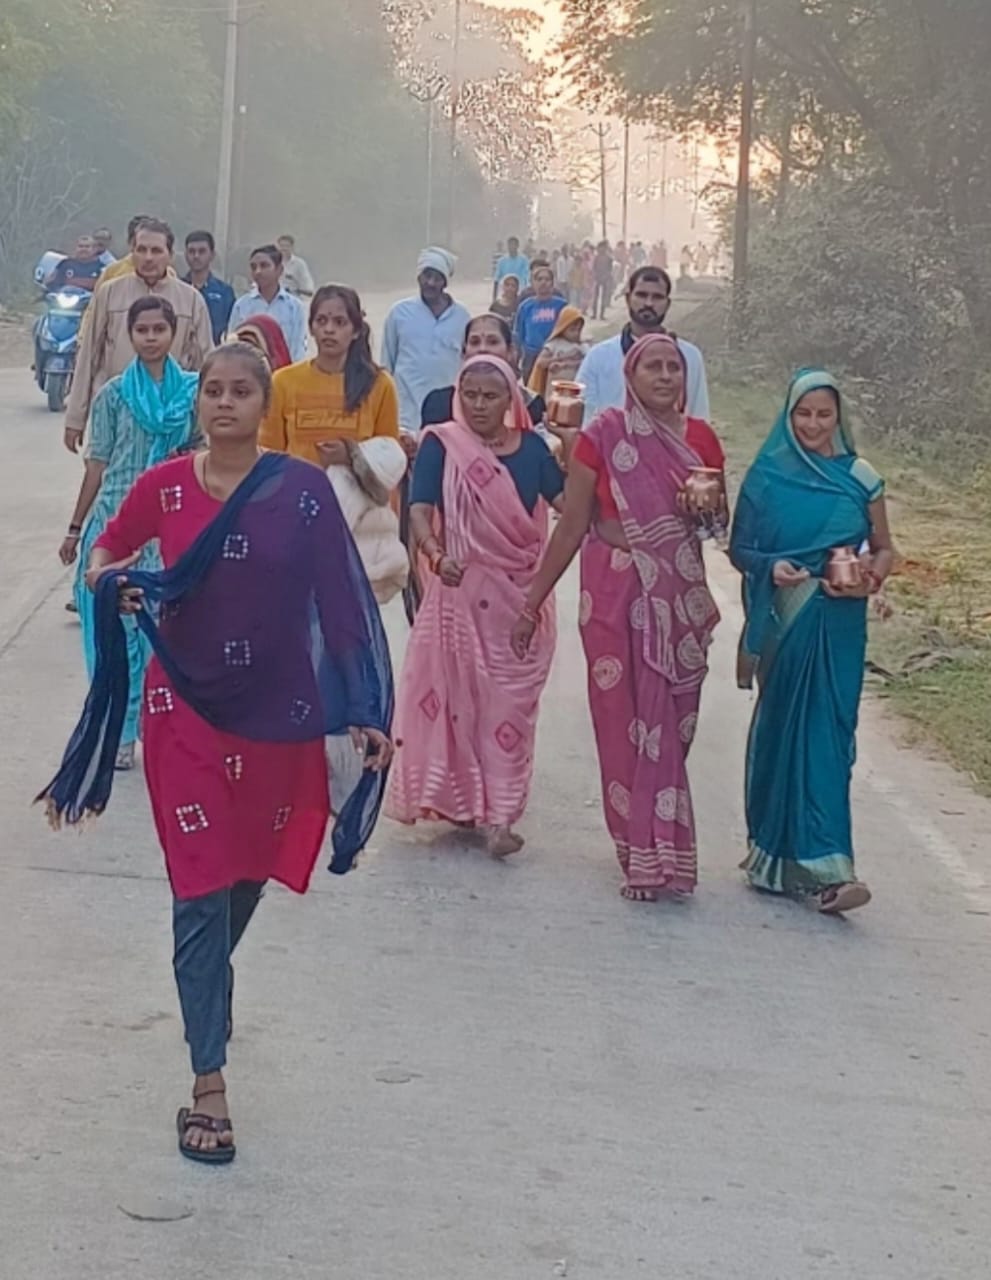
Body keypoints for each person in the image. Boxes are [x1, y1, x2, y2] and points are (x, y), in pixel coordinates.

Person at [40, 342, 394, 1164]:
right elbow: (107, 548)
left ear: (264, 405)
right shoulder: (165, 486)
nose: (225, 403)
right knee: (199, 882)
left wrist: (364, 707)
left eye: (241, 391)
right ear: (198, 403)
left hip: (279, 709)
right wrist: (108, 581)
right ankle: (208, 1080)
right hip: (184, 705)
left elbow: (341, 601)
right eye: (213, 391)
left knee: (249, 870)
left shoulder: (300, 491)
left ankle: (207, 982)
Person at [512, 334, 723, 902]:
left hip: (677, 595)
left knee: (673, 722)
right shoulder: (603, 436)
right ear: (631, 375)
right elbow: (571, 526)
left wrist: (704, 511)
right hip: (611, 590)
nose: (664, 376)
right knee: (620, 720)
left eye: (673, 367)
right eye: (653, 366)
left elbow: (717, 525)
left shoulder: (700, 440)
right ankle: (640, 852)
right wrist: (531, 603)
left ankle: (662, 839)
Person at [729, 368, 894, 915]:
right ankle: (773, 857)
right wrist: (772, 566)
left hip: (840, 622)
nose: (814, 424)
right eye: (804, 413)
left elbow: (884, 548)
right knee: (782, 731)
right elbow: (741, 549)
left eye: (824, 414)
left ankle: (831, 868)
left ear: (839, 417)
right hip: (789, 617)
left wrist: (871, 578)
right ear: (788, 414)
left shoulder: (860, 477)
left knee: (829, 736)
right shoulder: (766, 477)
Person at [386, 354, 564, 857]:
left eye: (491, 396)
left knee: (509, 708)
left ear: (511, 400)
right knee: (460, 704)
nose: (479, 405)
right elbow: (420, 509)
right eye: (470, 395)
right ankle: (469, 805)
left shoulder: (533, 450)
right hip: (458, 593)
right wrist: (435, 553)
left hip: (520, 599)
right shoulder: (443, 445)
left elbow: (569, 509)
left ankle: (500, 815)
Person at [57, 297, 200, 770]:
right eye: (143, 330)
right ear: (130, 335)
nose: (151, 337)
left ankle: (158, 731)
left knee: (163, 637)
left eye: (160, 328)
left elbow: (205, 457)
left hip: (169, 530)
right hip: (115, 529)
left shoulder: (194, 394)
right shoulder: (113, 396)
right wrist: (76, 530)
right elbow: (97, 467)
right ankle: (118, 732)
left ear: (174, 333)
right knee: (117, 637)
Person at [65, 219, 213, 454]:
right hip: (117, 414)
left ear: (170, 255)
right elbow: (88, 356)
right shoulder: (110, 293)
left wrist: (207, 428)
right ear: (131, 252)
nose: (148, 257)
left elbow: (205, 365)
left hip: (170, 420)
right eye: (141, 250)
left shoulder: (191, 300)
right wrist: (75, 418)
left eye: (156, 250)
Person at [576, 266, 710, 424]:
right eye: (641, 295)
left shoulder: (689, 357)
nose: (648, 303)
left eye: (657, 297)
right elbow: (584, 419)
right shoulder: (599, 357)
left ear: (667, 304)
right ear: (628, 299)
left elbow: (699, 418)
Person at [380, 247, 471, 434]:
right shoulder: (399, 313)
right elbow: (387, 363)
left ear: (445, 282)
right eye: (427, 276)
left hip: (447, 413)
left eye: (437, 278)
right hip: (404, 412)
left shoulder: (462, 317)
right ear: (418, 277)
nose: (431, 283)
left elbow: (467, 363)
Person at [421, 313, 548, 430]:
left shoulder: (531, 404)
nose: (482, 349)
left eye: (493, 342)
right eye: (474, 342)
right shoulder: (438, 403)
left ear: (510, 351)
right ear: (464, 353)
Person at [228, 245, 308, 363]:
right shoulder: (241, 306)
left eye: (264, 265)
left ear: (279, 270)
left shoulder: (294, 307)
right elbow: (233, 345)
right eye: (253, 267)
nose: (258, 271)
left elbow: (298, 348)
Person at [514, 262, 568, 380]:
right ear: (532, 283)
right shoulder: (525, 306)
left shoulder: (562, 306)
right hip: (531, 357)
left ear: (552, 283)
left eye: (547, 279)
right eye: (539, 279)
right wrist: (516, 358)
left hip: (555, 356)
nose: (543, 282)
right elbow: (519, 334)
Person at [183, 231, 236, 344]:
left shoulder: (224, 291)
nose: (196, 256)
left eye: (202, 251)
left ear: (212, 255)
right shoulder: (177, 289)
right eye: (191, 251)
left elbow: (230, 328)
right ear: (185, 255)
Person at [527, 306, 588, 399]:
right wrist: (560, 358)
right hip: (554, 392)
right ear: (563, 327)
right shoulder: (554, 344)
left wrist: (566, 364)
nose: (576, 333)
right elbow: (540, 362)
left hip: (575, 391)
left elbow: (587, 363)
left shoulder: (583, 347)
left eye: (578, 330)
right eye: (572, 330)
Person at [277, 235, 316, 299]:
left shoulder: (299, 264)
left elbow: (308, 286)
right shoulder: (273, 262)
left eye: (287, 246)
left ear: (292, 247)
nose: (284, 248)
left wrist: (301, 291)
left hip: (293, 298)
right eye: (282, 246)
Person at [592, 241, 614, 320]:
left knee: (603, 297)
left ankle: (601, 314)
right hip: (598, 278)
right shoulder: (597, 257)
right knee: (595, 297)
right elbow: (594, 268)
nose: (601, 249)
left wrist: (607, 277)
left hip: (605, 279)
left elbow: (610, 269)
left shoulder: (608, 258)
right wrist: (595, 276)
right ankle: (594, 314)